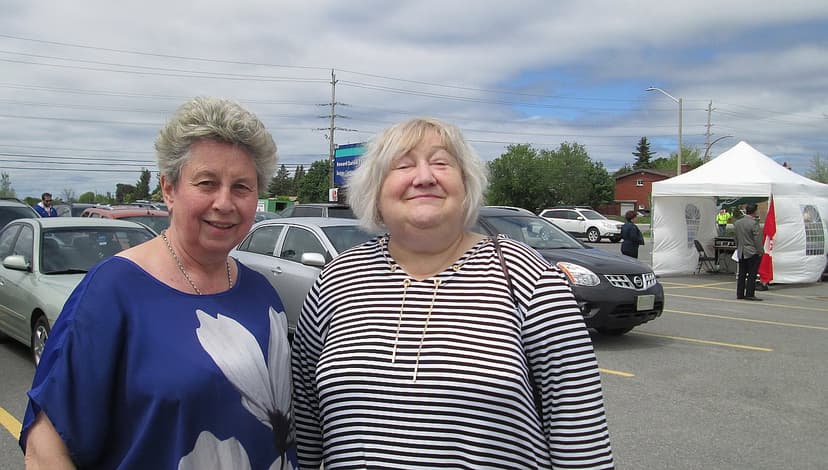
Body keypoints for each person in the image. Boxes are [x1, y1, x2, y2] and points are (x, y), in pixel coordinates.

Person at [291, 117, 614, 469]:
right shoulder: (337, 280)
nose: (424, 177)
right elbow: (306, 431)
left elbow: (580, 437)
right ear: (375, 191)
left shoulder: (529, 277)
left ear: (466, 185)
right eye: (403, 165)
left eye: (441, 162)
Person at [20, 97, 298, 469]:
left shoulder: (262, 295)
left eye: (242, 187)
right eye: (207, 183)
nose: (224, 202)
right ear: (169, 189)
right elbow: (45, 448)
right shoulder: (113, 293)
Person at [734, 203, 764, 301]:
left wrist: (738, 247)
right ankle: (750, 294)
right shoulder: (754, 223)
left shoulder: (738, 223)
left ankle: (740, 293)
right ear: (754, 211)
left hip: (741, 251)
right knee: (752, 274)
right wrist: (760, 251)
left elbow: (736, 238)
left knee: (742, 273)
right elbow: (757, 240)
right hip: (751, 251)